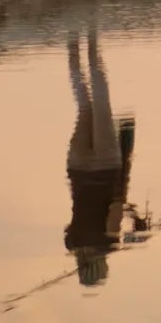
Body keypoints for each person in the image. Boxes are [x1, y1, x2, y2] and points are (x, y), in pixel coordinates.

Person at [64, 27, 145, 286]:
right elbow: (76, 221)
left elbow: (114, 205)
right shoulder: (72, 243)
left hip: (106, 164)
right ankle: (72, 40)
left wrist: (133, 222)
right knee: (83, 104)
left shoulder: (109, 241)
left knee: (101, 100)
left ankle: (92, 38)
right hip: (77, 167)